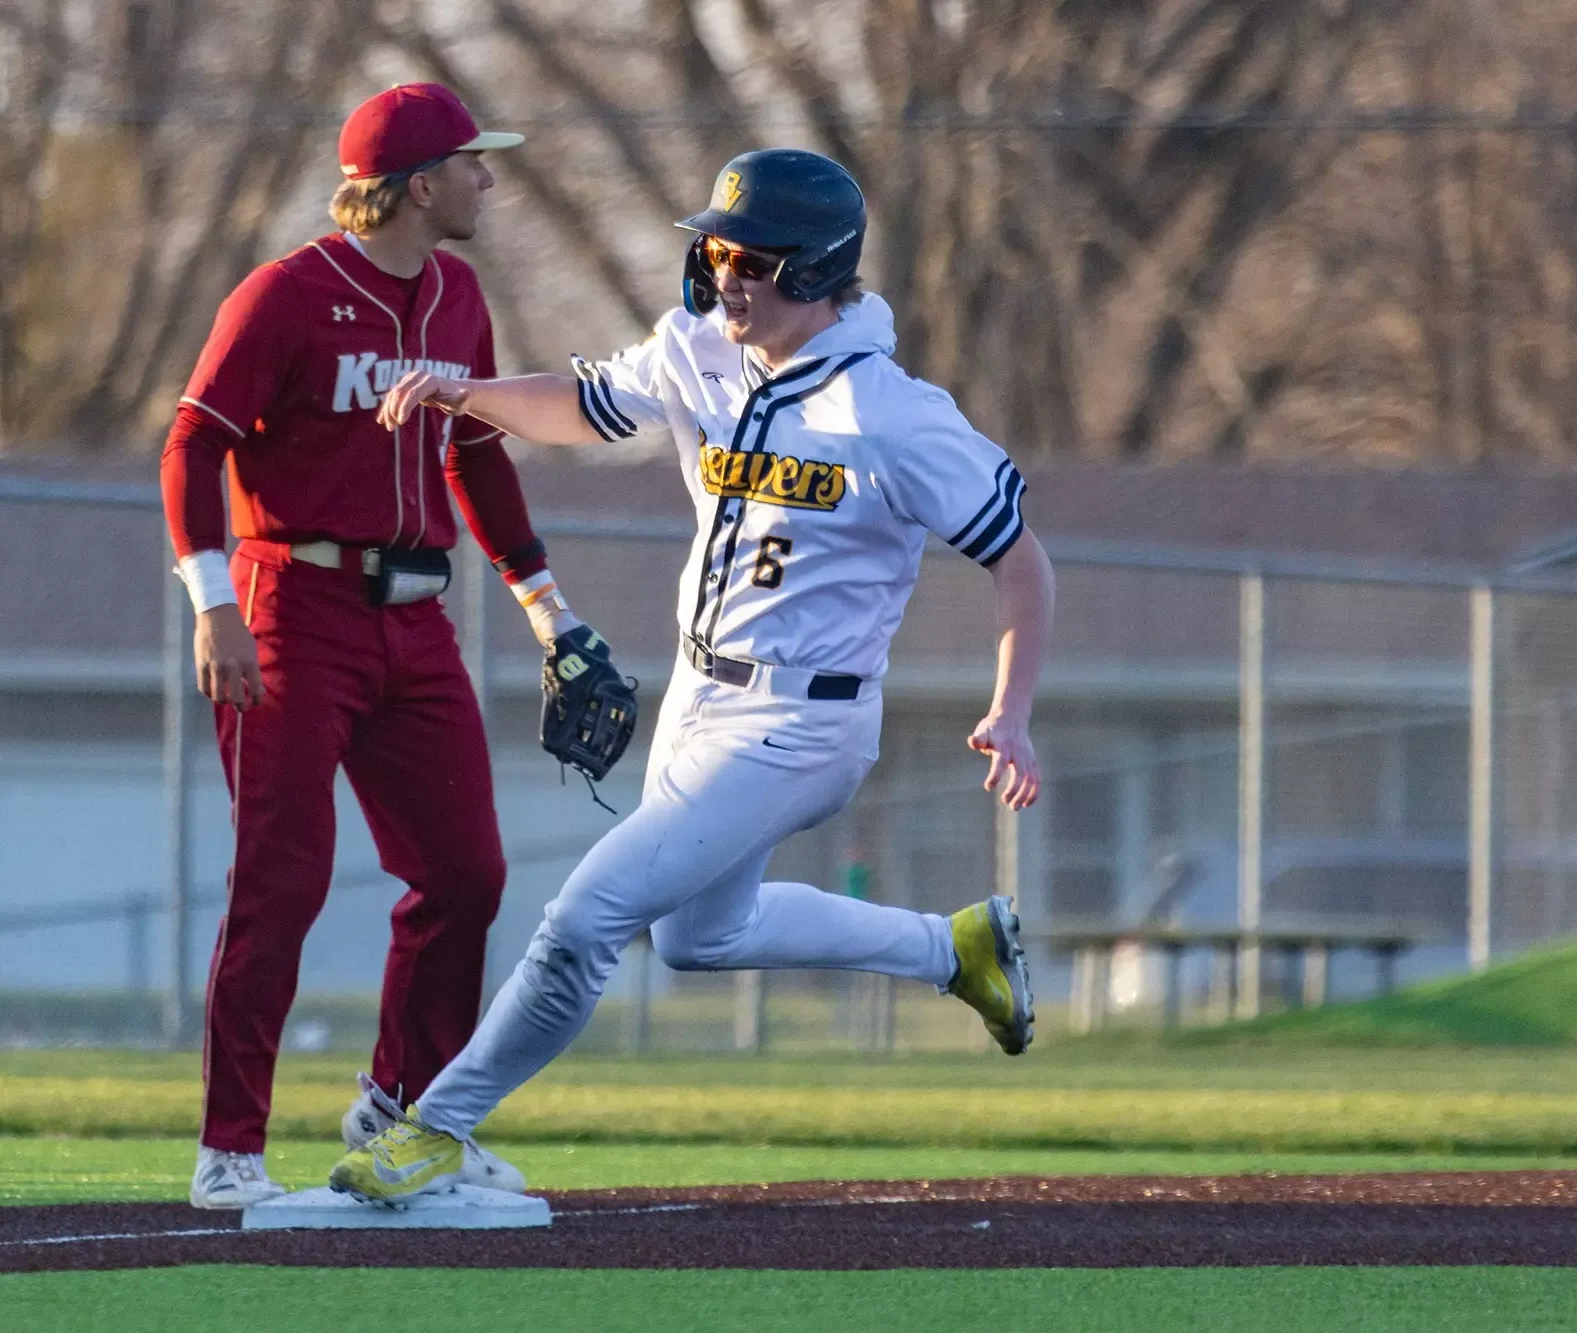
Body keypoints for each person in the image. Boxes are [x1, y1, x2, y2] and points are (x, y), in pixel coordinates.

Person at [325, 148, 1058, 1202]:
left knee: (585, 919)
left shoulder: (892, 415)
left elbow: (1019, 559)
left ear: (817, 270)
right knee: (700, 937)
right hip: (698, 698)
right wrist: (464, 394)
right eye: (715, 251)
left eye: (752, 262)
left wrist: (1012, 711)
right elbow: (584, 405)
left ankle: (436, 1126)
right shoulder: (701, 353)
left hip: (806, 722)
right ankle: (953, 951)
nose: (725, 277)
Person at [161, 83, 601, 1209]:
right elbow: (192, 444)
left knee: (465, 871)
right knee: (282, 879)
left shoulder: (456, 294)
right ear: (414, 186)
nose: (486, 181)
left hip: (416, 619)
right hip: (290, 608)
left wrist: (544, 605)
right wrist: (212, 605)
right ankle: (229, 1145)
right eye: (469, 163)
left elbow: (479, 453)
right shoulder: (288, 296)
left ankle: (403, 1112)